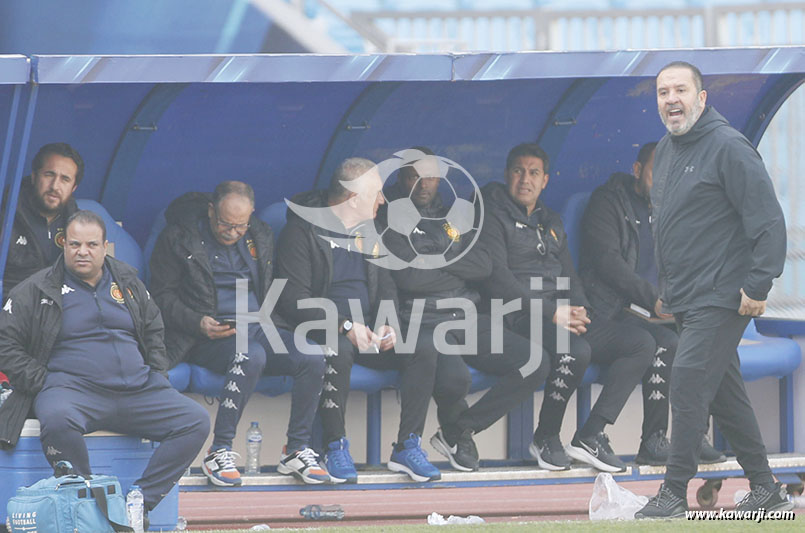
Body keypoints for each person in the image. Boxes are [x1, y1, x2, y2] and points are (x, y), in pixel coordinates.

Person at [636, 62, 791, 518]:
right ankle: (766, 488)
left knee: (686, 383)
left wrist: (758, 284)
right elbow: (673, 227)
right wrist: (668, 290)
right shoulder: (667, 148)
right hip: (687, 297)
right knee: (724, 392)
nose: (671, 99)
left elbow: (769, 223)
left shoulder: (728, 146)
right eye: (663, 92)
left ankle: (672, 493)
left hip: (723, 294)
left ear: (702, 98)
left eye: (680, 90)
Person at [0, 210, 209, 519]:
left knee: (196, 420)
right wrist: (42, 381)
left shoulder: (128, 281)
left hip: (138, 389)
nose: (82, 251)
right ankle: (87, 506)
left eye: (91, 244)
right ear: (63, 244)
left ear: (105, 246)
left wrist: (157, 375)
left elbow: (154, 330)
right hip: (74, 391)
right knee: (56, 420)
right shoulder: (37, 288)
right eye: (74, 244)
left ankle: (139, 502)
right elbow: (5, 343)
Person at [481, 143, 655, 473]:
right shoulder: (492, 215)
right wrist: (552, 312)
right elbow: (499, 281)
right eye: (518, 171)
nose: (525, 180)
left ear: (545, 180)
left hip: (558, 315)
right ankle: (546, 436)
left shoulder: (550, 220)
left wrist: (581, 310)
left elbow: (569, 275)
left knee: (640, 343)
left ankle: (591, 434)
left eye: (534, 173)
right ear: (507, 175)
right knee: (574, 349)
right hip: (514, 315)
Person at [150, 181, 328, 486]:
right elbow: (160, 297)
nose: (232, 232)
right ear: (211, 210)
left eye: (240, 225)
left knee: (312, 354)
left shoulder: (260, 234)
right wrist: (198, 322)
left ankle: (296, 448)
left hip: (258, 326)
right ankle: (219, 450)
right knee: (250, 354)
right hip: (205, 335)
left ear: (251, 215)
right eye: (225, 224)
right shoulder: (179, 237)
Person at [383, 148, 550, 473]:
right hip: (426, 321)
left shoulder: (452, 217)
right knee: (455, 379)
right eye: (415, 176)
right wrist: (455, 262)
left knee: (535, 363)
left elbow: (484, 265)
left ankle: (459, 429)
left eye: (431, 177)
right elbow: (409, 277)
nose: (424, 184)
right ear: (403, 178)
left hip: (468, 317)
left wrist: (433, 259)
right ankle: (440, 440)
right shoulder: (389, 218)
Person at [276, 157, 428, 483]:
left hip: (369, 332)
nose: (383, 200)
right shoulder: (301, 232)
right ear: (353, 198)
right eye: (376, 193)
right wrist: (344, 325)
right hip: (323, 329)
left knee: (423, 347)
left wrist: (388, 324)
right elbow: (293, 300)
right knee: (338, 349)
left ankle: (407, 446)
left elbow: (386, 286)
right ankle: (335, 445)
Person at [579, 142, 724, 466]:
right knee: (664, 343)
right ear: (637, 170)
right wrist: (654, 299)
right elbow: (608, 263)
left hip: (657, 310)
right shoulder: (608, 202)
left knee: (705, 337)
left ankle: (691, 434)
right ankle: (652, 439)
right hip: (616, 309)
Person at [2, 143, 83, 298]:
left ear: (73, 188)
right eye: (49, 175)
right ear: (34, 176)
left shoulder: (80, 225)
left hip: (59, 305)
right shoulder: (5, 214)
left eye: (65, 179)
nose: (55, 186)